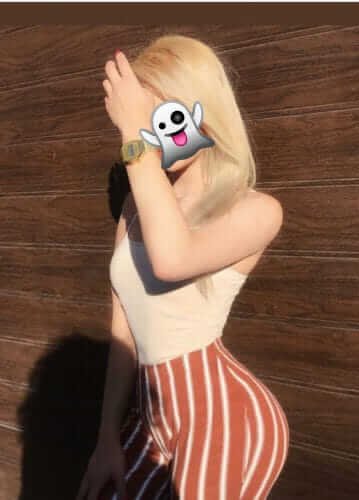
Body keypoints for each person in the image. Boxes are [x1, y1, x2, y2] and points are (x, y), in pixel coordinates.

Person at [76, 34, 289, 500]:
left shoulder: (256, 210)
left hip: (225, 417)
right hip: (151, 417)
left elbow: (172, 259)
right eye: (144, 121)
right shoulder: (135, 208)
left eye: (163, 116)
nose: (154, 134)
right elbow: (123, 329)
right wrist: (107, 435)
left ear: (202, 108)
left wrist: (133, 137)